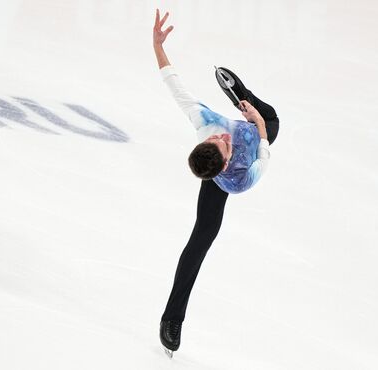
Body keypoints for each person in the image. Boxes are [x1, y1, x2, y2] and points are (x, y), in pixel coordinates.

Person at [153, 9, 280, 356]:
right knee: (201, 240)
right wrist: (259, 130)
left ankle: (241, 95)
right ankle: (172, 318)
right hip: (258, 145)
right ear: (224, 163)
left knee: (268, 114)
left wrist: (157, 45)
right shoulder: (237, 179)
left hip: (258, 125)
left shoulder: (205, 122)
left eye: (217, 139)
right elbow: (265, 159)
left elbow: (173, 83)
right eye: (223, 144)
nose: (224, 136)